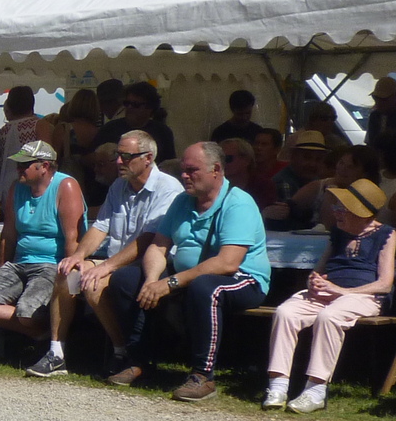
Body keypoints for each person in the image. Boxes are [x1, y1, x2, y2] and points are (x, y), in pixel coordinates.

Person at [105, 141, 272, 401]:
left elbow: (228, 262)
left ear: (216, 169)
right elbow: (159, 245)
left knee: (205, 287)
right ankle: (139, 361)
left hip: (242, 280)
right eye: (183, 170)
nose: (184, 176)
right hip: (187, 277)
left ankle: (203, 375)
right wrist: (151, 282)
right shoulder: (183, 201)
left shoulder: (238, 203)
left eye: (192, 170)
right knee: (126, 279)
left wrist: (169, 283)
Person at [51, 130, 182, 380]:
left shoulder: (168, 188)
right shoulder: (118, 186)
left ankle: (121, 350)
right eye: (117, 155)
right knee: (66, 274)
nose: (119, 162)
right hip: (116, 261)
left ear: (148, 157)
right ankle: (56, 351)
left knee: (94, 284)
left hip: (146, 265)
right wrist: (79, 255)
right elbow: (101, 226)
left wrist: (106, 266)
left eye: (125, 156)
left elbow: (149, 239)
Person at [263, 178, 396, 413]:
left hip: (363, 296)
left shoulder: (385, 234)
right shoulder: (338, 233)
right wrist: (314, 281)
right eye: (337, 207)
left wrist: (343, 292)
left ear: (362, 214)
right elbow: (319, 268)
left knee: (330, 316)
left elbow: (385, 284)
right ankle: (278, 385)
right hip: (327, 293)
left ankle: (316, 389)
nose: (337, 213)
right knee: (286, 312)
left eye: (343, 209)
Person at [0, 141, 84, 367]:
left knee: (26, 313)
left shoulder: (65, 186)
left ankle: (53, 335)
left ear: (45, 166)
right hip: (20, 263)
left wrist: (73, 285)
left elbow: (73, 238)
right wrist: (3, 268)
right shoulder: (16, 188)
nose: (19, 169)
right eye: (19, 164)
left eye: (25, 164)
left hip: (52, 264)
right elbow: (8, 233)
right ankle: (41, 334)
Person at [261, 130, 333, 230]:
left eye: (318, 159)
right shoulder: (283, 182)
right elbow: (290, 219)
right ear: (293, 157)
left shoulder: (317, 180)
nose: (312, 164)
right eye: (307, 157)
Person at [95, 81, 175, 162]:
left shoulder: (162, 132)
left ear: (150, 107)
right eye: (127, 103)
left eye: (135, 104)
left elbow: (168, 164)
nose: (130, 107)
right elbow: (89, 158)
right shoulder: (110, 129)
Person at [0, 86, 52, 199]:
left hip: (6, 185)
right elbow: (48, 158)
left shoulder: (3, 130)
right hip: (31, 184)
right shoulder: (39, 125)